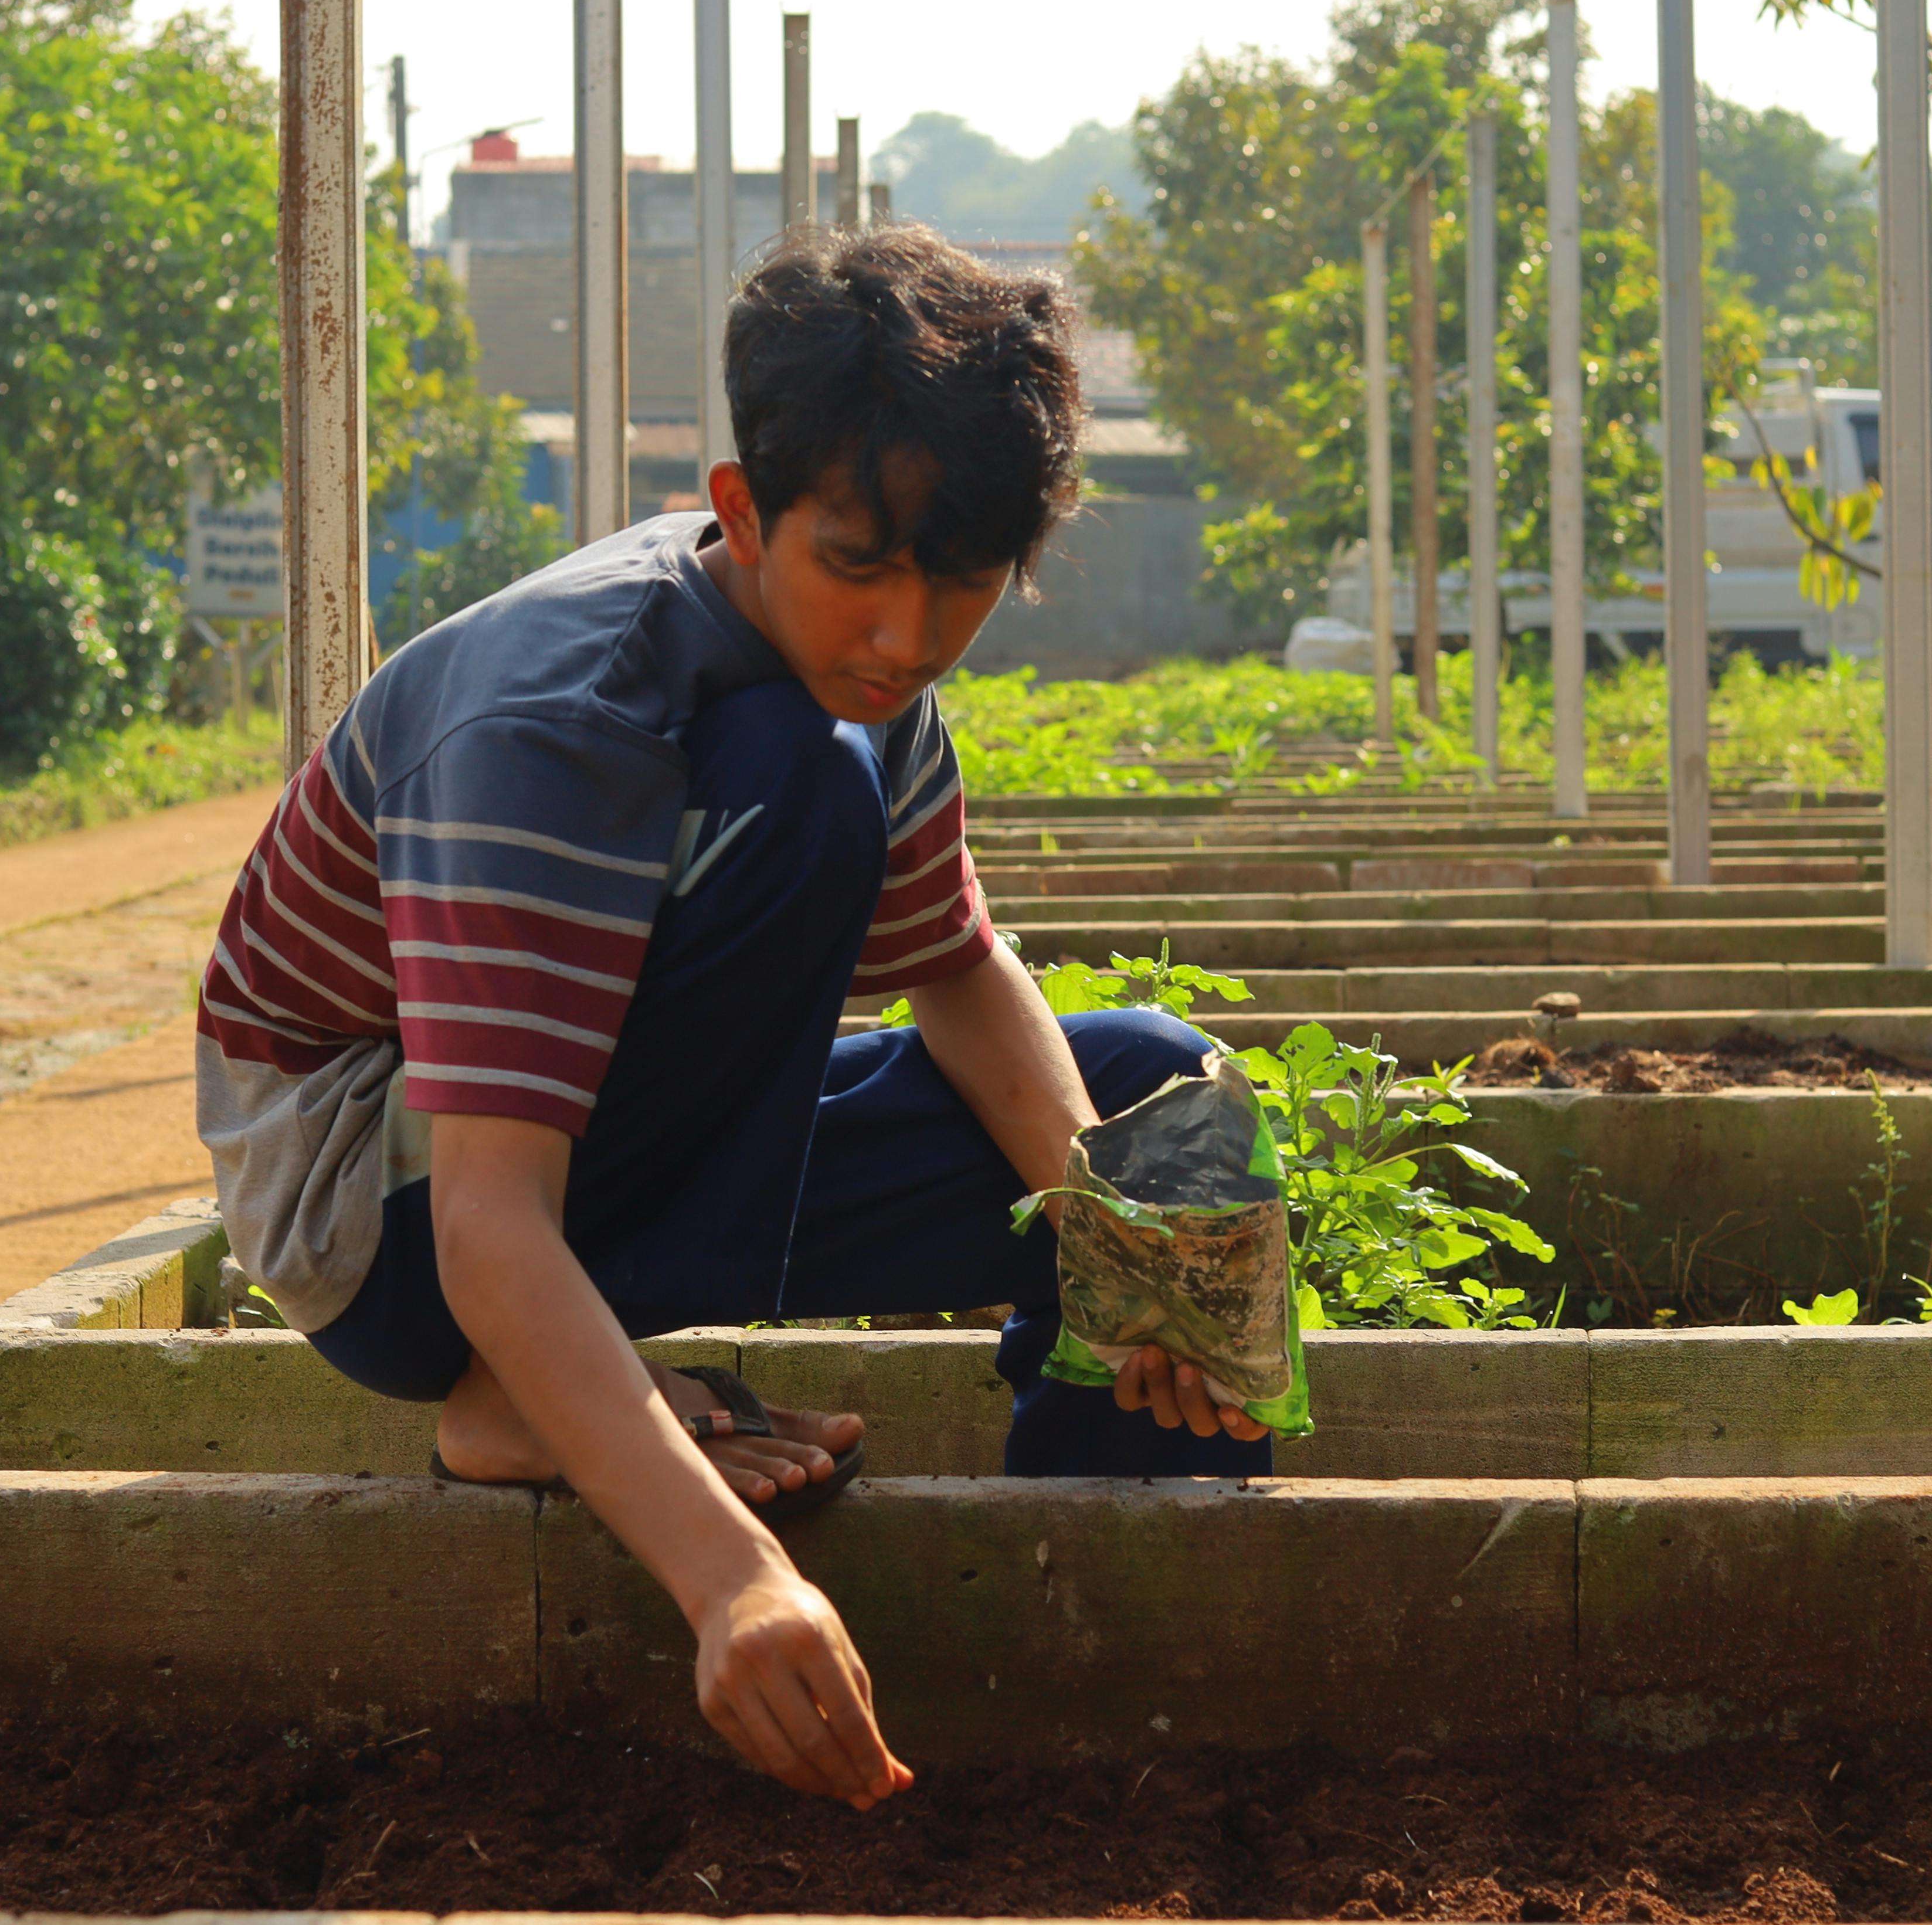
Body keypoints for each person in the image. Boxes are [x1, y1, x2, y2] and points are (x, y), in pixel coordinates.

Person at [195, 225, 1266, 1813]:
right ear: (743, 514)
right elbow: (493, 1223)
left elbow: (960, 971)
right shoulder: (556, 718)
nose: (905, 636)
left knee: (1167, 1111)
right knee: (795, 781)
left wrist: (1141, 1264)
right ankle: (511, 1403)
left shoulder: (867, 695)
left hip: (609, 1146)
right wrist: (733, 1576)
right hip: (388, 1220)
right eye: (858, 568)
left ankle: (1090, 1672)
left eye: (959, 582)